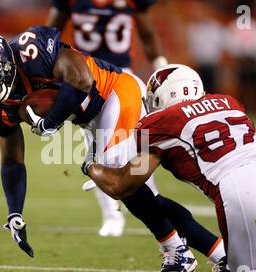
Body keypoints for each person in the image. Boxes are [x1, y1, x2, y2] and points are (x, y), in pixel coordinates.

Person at [0, 27, 233, 272]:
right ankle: (220, 257)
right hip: (91, 120)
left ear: (3, 63)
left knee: (122, 184)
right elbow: (12, 160)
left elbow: (82, 79)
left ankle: (180, 251)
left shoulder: (31, 51)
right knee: (142, 195)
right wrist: (15, 212)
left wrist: (52, 121)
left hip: (115, 91)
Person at [82, 64, 256, 272]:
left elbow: (122, 185)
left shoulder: (162, 121)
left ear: (168, 93)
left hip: (243, 190)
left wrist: (91, 165)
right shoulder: (229, 102)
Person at [47, 0, 168, 237]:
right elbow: (49, 36)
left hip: (123, 81)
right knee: (97, 151)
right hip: (87, 80)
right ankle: (112, 215)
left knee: (137, 150)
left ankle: (154, 207)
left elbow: (147, 31)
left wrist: (162, 67)